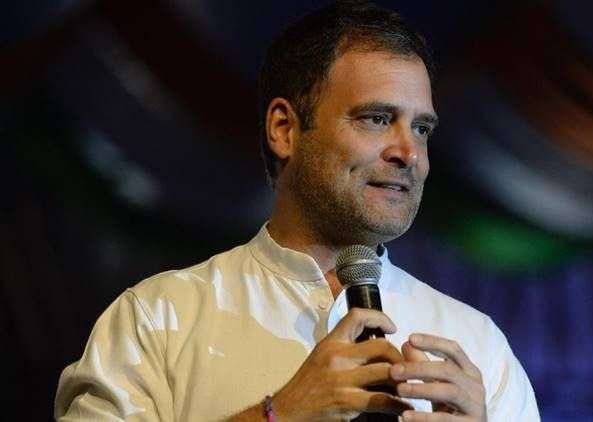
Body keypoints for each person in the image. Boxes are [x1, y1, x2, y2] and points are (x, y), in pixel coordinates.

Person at [54, 1, 540, 420]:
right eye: (377, 119)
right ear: (284, 130)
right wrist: (280, 414)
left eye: (422, 129)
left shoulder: (477, 347)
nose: (408, 153)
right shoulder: (157, 320)